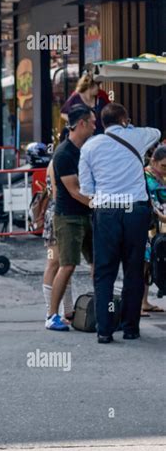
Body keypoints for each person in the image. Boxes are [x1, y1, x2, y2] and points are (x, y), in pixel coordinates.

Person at [79, 103, 161, 343]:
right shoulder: (135, 136)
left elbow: (86, 188)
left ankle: (104, 330)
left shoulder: (90, 146)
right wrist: (130, 126)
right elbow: (156, 132)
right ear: (124, 119)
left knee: (104, 272)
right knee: (134, 270)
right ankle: (130, 328)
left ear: (102, 123)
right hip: (135, 211)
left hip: (106, 212)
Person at [46, 105, 96, 331]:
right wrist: (101, 205)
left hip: (87, 215)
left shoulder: (86, 149)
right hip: (68, 217)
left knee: (98, 263)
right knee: (67, 265)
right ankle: (51, 315)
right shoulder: (65, 153)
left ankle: (101, 308)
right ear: (83, 123)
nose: (95, 126)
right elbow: (74, 190)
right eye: (93, 122)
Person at [42, 159, 74, 323]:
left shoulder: (57, 161)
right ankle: (51, 312)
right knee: (55, 263)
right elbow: (56, 193)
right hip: (58, 214)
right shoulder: (58, 161)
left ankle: (67, 310)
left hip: (58, 213)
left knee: (66, 264)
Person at [142, 144, 166, 315]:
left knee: (154, 263)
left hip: (161, 226)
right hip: (148, 225)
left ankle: (145, 302)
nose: (165, 169)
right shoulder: (145, 176)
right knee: (144, 264)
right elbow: (150, 203)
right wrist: (160, 215)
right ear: (154, 161)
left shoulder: (161, 177)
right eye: (163, 165)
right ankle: (140, 302)